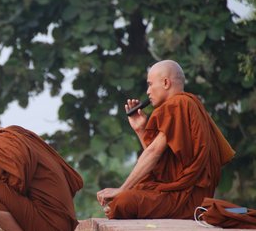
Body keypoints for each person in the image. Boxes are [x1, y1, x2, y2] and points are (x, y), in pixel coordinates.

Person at [97, 60, 235, 219]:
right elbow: (163, 165)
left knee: (124, 201)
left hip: (186, 199)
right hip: (183, 195)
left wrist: (122, 189)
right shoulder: (187, 105)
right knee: (136, 192)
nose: (148, 91)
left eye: (150, 84)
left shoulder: (178, 104)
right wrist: (140, 129)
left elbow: (154, 152)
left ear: (165, 83)